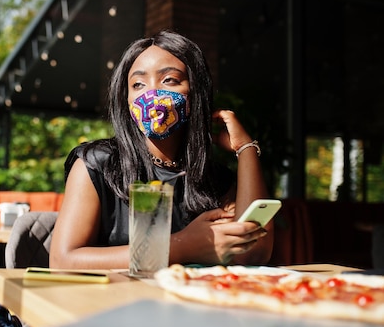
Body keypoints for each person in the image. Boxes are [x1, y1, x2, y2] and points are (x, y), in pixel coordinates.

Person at [49, 29, 273, 269]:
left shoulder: (214, 179)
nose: (152, 93)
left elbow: (253, 253)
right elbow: (63, 261)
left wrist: (246, 149)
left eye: (169, 80)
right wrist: (183, 245)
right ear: (126, 99)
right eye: (138, 84)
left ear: (196, 93)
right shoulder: (97, 165)